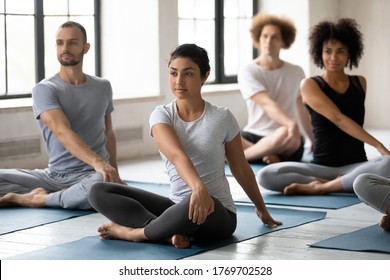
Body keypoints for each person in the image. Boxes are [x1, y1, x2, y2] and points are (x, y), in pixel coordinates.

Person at [88, 44, 281, 248]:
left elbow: (240, 167)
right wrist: (197, 187)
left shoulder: (222, 117)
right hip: (177, 206)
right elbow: (177, 156)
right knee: (98, 191)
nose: (179, 81)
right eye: (173, 73)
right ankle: (166, 232)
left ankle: (135, 234)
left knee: (195, 202)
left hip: (217, 213)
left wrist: (261, 208)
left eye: (188, 74)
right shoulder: (161, 115)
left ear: (205, 76)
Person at [257, 18, 390, 195]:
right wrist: (379, 145)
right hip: (321, 167)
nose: (333, 58)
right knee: (266, 175)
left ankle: (323, 187)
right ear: (319, 52)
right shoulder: (310, 85)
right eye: (328, 51)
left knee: (388, 164)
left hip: (357, 165)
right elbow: (339, 119)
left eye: (340, 51)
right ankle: (334, 183)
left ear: (350, 53)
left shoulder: (360, 83)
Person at [0, 21, 122, 209]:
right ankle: (62, 195)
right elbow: (62, 132)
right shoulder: (44, 89)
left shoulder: (103, 86)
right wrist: (100, 163)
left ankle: (39, 199)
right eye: (60, 43)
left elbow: (109, 134)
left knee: (99, 184)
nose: (65, 48)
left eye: (72, 42)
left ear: (86, 47)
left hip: (93, 174)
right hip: (54, 176)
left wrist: (115, 174)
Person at [238, 12, 313, 164]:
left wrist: (314, 140)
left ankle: (242, 157)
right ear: (258, 38)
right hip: (253, 135)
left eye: (275, 37)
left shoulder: (297, 71)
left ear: (284, 41)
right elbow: (266, 103)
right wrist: (290, 123)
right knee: (224, 136)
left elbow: (302, 108)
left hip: (286, 137)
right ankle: (270, 155)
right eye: (264, 36)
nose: (268, 41)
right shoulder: (248, 70)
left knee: (288, 134)